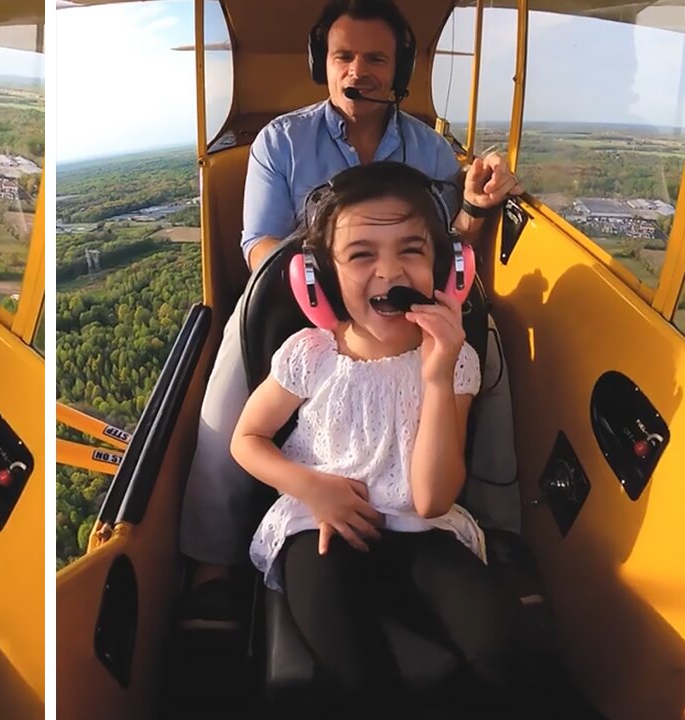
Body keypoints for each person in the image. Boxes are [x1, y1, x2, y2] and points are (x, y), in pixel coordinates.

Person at [178, 0, 523, 627]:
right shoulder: (280, 142)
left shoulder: (430, 150)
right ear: (323, 63)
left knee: (486, 343)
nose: (356, 71)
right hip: (298, 302)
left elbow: (451, 246)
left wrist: (472, 205)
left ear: (400, 70)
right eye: (343, 57)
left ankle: (498, 527)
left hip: (406, 307)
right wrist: (337, 306)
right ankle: (211, 561)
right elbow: (258, 248)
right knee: (233, 355)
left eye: (374, 59)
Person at [232, 162, 525, 718]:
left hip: (423, 530)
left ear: (444, 269)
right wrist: (312, 489)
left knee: (503, 649)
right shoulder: (310, 353)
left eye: (411, 250)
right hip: (322, 530)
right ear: (322, 277)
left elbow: (432, 499)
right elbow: (247, 438)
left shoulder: (455, 361)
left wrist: (436, 376)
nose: (389, 272)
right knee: (356, 672)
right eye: (362, 254)